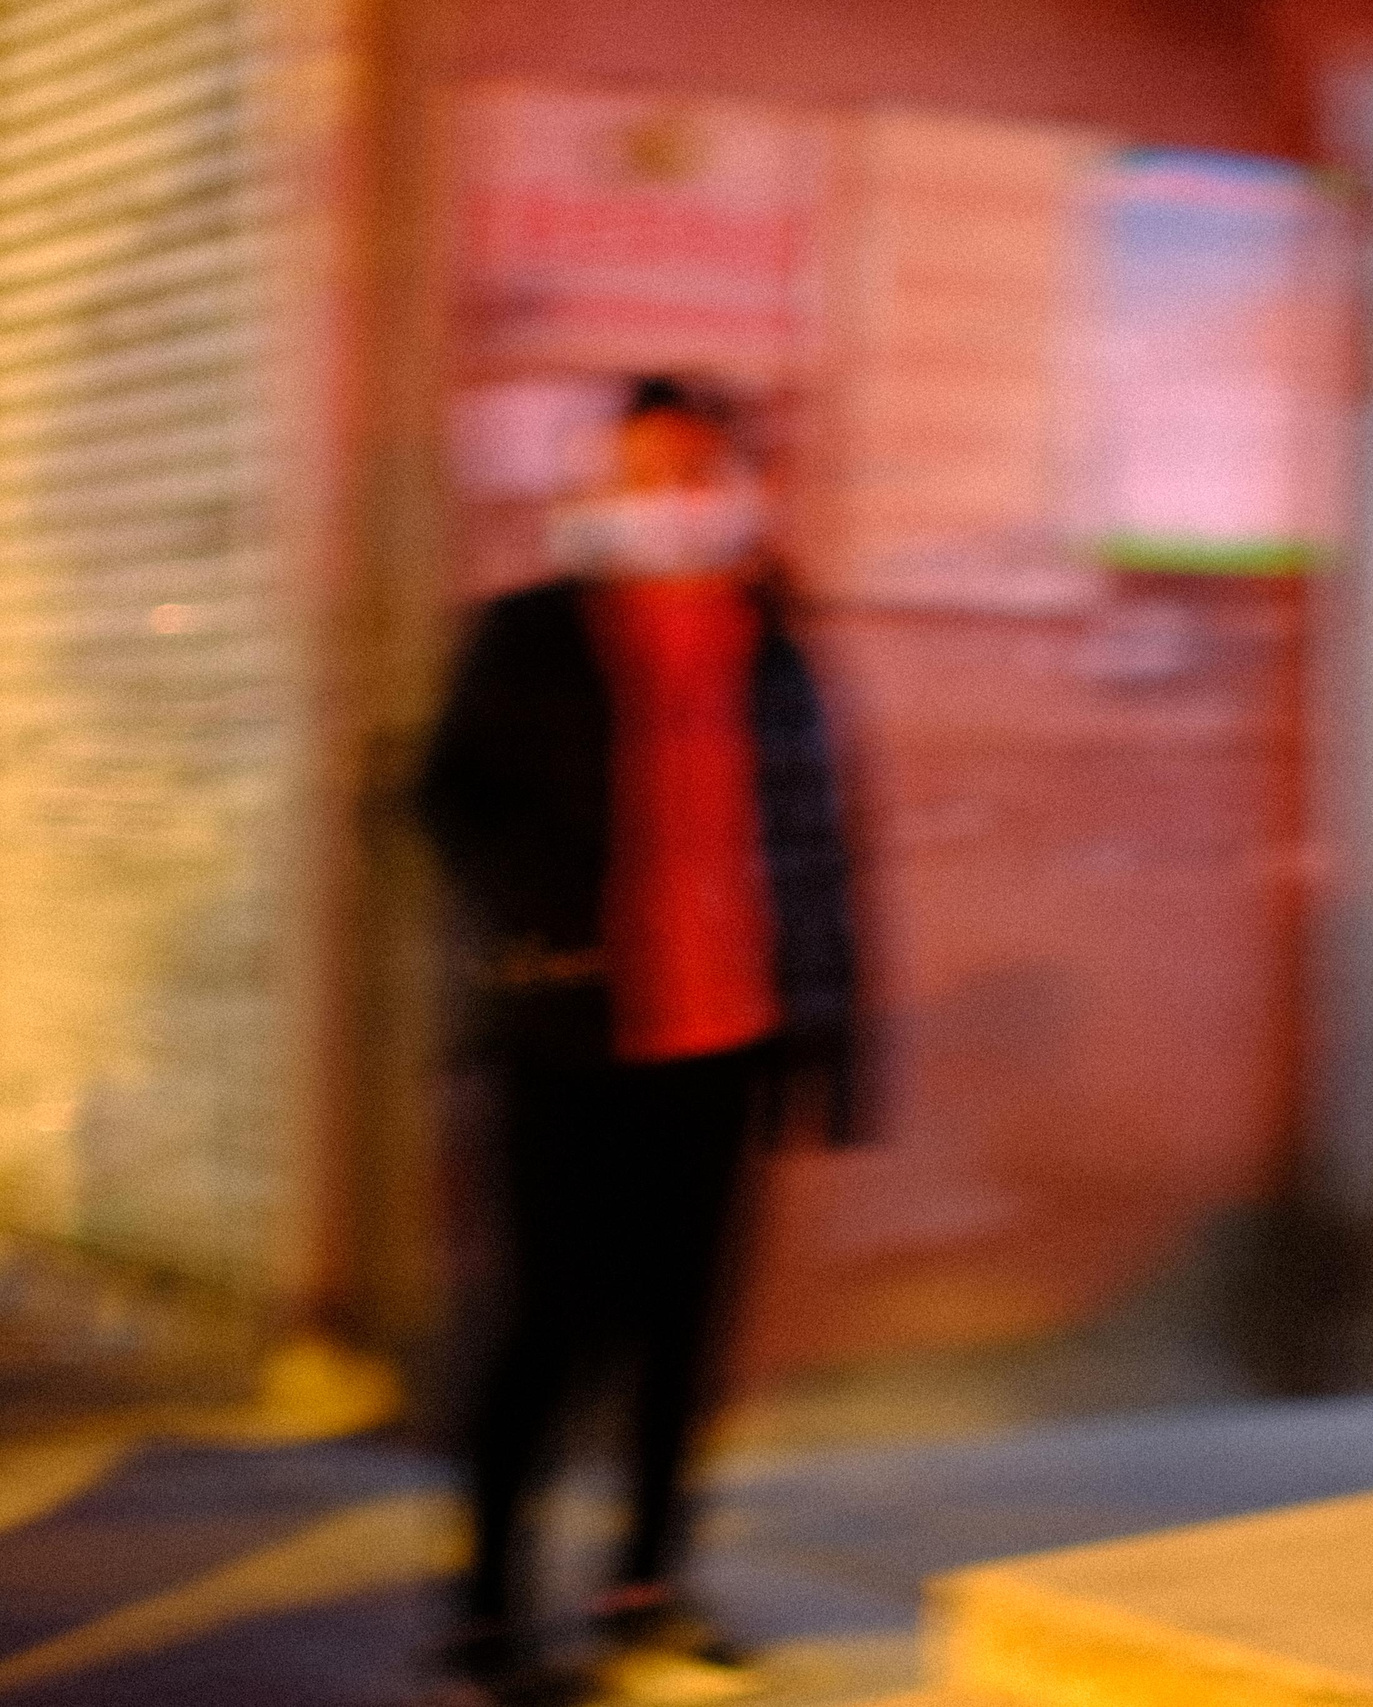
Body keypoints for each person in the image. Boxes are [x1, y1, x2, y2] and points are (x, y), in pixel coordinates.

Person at [417, 376, 872, 1704]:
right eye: (642, 475)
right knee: (545, 1327)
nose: (670, 501)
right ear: (599, 492)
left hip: (724, 1039)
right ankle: (491, 1612)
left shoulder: (773, 640)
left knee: (686, 1336)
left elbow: (821, 848)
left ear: (738, 486)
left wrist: (825, 1038)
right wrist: (534, 926)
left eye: (693, 473)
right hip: (566, 1042)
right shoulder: (528, 632)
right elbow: (444, 800)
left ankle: (646, 1590)